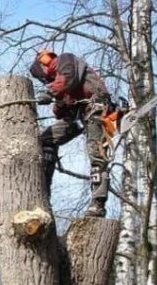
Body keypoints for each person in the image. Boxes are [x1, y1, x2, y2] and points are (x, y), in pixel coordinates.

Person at [29, 48, 111, 218]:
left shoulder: (65, 61)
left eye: (42, 76)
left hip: (95, 106)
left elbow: (69, 79)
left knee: (96, 153)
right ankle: (44, 193)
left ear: (43, 65)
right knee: (46, 139)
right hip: (80, 114)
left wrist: (50, 92)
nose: (45, 80)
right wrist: (58, 103)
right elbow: (63, 110)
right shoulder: (60, 81)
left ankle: (98, 203)